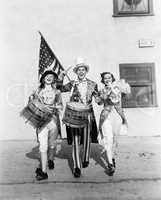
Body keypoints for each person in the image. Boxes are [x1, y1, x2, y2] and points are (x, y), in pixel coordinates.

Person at [58, 57, 98, 178]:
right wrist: (62, 76)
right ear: (76, 72)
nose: (81, 72)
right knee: (76, 140)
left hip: (88, 114)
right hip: (74, 115)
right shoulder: (72, 83)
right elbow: (59, 88)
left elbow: (98, 100)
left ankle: (85, 157)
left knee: (86, 138)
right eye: (79, 70)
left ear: (86, 71)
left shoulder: (93, 84)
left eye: (83, 69)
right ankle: (76, 166)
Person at [29, 70, 63, 180]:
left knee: (52, 144)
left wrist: (53, 107)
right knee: (43, 146)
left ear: (54, 79)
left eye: (51, 76)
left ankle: (51, 159)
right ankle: (43, 171)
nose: (49, 78)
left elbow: (60, 106)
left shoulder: (57, 92)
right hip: (41, 120)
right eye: (47, 76)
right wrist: (31, 100)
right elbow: (31, 103)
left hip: (52, 120)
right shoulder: (38, 90)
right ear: (43, 78)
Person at [96, 72, 130, 176]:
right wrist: (105, 94)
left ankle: (112, 157)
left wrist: (122, 87)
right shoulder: (102, 90)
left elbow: (126, 94)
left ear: (112, 78)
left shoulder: (118, 87)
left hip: (117, 116)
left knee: (115, 139)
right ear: (103, 80)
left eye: (109, 77)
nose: (107, 79)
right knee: (108, 138)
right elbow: (99, 102)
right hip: (106, 116)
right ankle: (110, 164)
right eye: (105, 78)